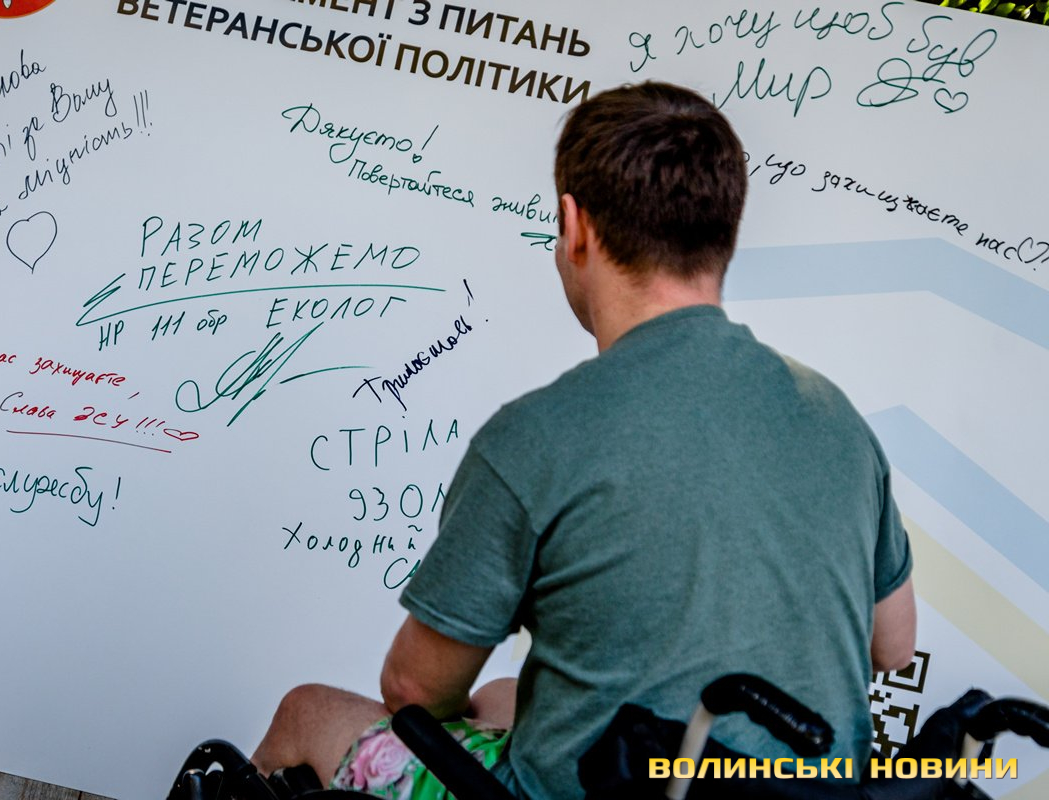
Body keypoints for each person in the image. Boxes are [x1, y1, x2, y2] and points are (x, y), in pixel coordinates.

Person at [250, 80, 916, 800]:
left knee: (305, 712)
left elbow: (415, 690)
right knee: (503, 696)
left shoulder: (540, 436)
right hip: (795, 792)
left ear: (575, 228)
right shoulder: (836, 420)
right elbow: (893, 645)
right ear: (723, 234)